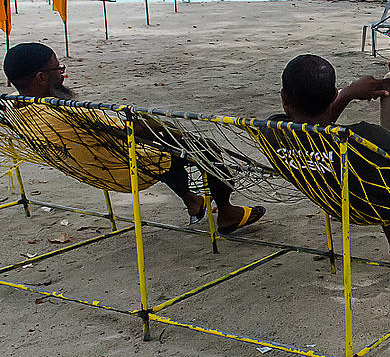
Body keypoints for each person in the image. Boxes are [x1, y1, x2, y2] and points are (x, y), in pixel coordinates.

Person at [1, 42, 265, 234]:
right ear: (40, 77)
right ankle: (227, 213)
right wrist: (163, 129)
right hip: (123, 168)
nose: (63, 74)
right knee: (199, 146)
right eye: (58, 69)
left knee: (168, 146)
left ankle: (192, 201)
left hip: (94, 166)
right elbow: (132, 129)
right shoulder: (64, 113)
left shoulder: (17, 114)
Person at [269, 54, 390, 281]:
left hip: (333, 197)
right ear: (332, 94)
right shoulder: (364, 138)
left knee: (366, 171)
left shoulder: (272, 132)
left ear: (284, 97)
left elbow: (317, 128)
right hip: (387, 201)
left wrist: (347, 95)